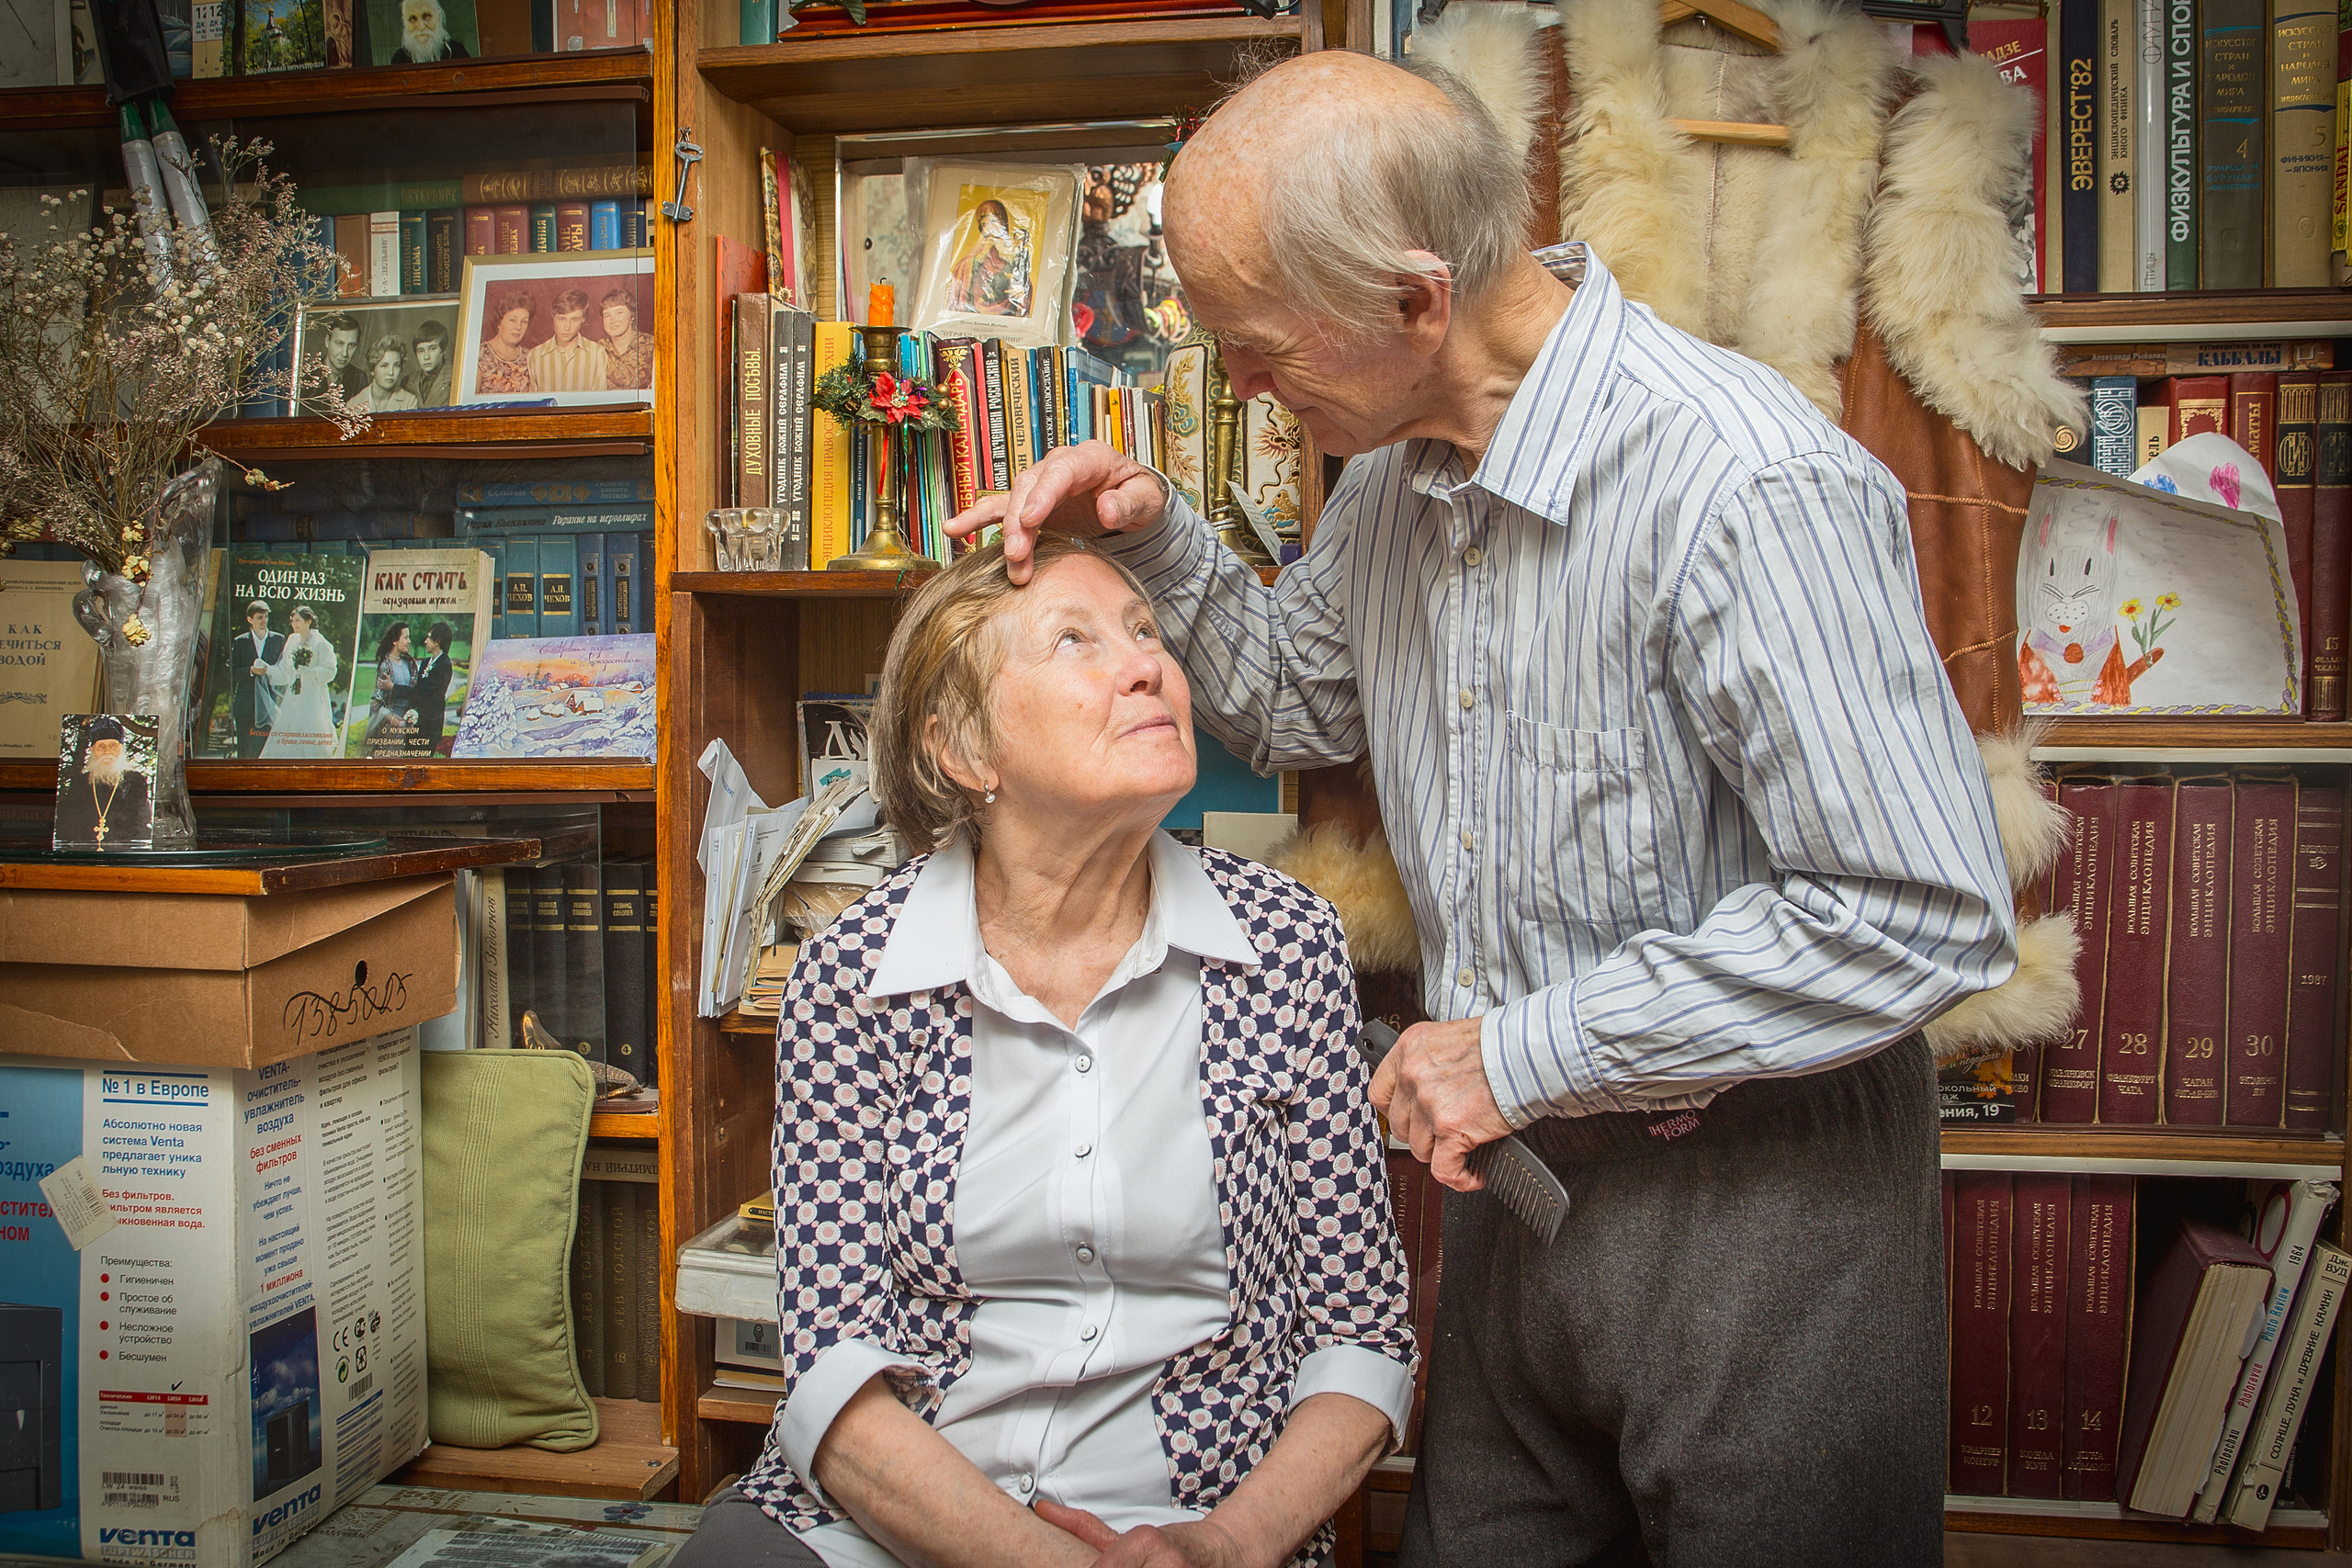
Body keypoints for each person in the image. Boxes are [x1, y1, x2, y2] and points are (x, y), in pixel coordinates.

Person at [945, 51, 2018, 1568]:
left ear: (1414, 299)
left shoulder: (1747, 482)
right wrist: (1157, 541)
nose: (1241, 385)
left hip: (1762, 1215)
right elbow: (1299, 700)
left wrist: (1517, 1053)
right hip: (1515, 1201)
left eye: (1258, 347)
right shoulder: (1394, 478)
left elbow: (1920, 912)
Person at [668, 536, 1415, 1568]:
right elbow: (833, 1367)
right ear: (964, 749)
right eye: (1075, 640)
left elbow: (1361, 1338)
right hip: (901, 1521)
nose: (1147, 664)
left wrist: (1227, 1545)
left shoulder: (1286, 945)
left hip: (1194, 1527)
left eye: (1146, 632)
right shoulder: (852, 974)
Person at [53, 716, 153, 848]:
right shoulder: (80, 782)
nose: (107, 751)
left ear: (121, 749)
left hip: (122, 851)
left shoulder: (134, 779)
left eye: (113, 745)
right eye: (101, 746)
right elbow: (68, 823)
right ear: (92, 750)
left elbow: (141, 823)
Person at [259, 604, 340, 758]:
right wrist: (267, 669)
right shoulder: (292, 640)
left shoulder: (320, 642)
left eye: (297, 620)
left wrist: (309, 672)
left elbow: (330, 670)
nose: (294, 624)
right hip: (292, 697)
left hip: (312, 697)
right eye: (293, 621)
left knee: (311, 734)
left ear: (308, 621)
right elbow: (284, 671)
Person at [229, 600, 285, 758]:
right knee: (244, 752)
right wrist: (251, 670)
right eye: (260, 617)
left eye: (266, 616)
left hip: (269, 705)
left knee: (265, 750)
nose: (264, 620)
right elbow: (230, 672)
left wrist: (270, 671)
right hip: (244, 705)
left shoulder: (279, 639)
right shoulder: (240, 641)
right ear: (250, 619)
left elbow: (284, 670)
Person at [526, 288, 603, 393]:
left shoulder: (597, 352)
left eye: (574, 320)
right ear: (553, 318)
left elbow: (600, 399)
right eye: (562, 319)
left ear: (583, 320)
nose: (567, 327)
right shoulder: (536, 355)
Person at [362, 622, 419, 755]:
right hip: (391, 727)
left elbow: (414, 692)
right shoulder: (386, 666)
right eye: (406, 637)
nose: (409, 641)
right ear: (395, 641)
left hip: (408, 724)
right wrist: (397, 722)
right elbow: (377, 702)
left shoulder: (409, 663)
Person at [476, 291, 537, 397]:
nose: (518, 327)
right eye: (512, 320)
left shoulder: (530, 357)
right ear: (499, 322)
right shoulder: (480, 355)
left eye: (524, 322)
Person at [408, 622, 456, 753]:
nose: (425, 641)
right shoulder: (425, 662)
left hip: (430, 726)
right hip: (416, 724)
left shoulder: (444, 665)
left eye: (429, 638)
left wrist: (393, 688)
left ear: (437, 641)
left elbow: (422, 691)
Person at [347, 335, 419, 414]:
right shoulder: (353, 405)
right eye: (384, 366)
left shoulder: (409, 402)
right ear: (372, 369)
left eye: (396, 365)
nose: (391, 372)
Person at [598, 289, 651, 390]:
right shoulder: (598, 348)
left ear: (632, 316)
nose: (612, 321)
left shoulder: (651, 344)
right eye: (607, 315)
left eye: (619, 313)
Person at [388, 0, 469, 62]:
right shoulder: (399, 59)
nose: (421, 27)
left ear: (439, 18)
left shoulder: (457, 52)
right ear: (405, 23)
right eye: (413, 19)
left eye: (426, 16)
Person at [316, 314, 364, 407]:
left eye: (351, 345)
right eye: (339, 343)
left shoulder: (359, 377)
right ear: (327, 341)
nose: (344, 353)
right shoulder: (307, 376)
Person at [409, 319, 454, 408]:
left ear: (444, 350)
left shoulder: (456, 377)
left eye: (432, 349)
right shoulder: (408, 382)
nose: (426, 357)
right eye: (421, 351)